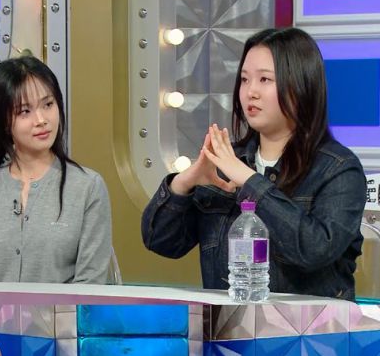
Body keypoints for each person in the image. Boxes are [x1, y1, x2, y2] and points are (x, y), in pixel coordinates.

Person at [142, 26, 367, 299]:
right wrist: (183, 183)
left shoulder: (339, 169)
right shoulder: (227, 163)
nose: (251, 92)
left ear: (302, 85)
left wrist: (250, 182)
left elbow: (314, 249)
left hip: (309, 326)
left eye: (265, 79)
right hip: (228, 324)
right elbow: (160, 242)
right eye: (245, 80)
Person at [0, 54, 112, 284]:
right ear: (3, 122)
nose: (41, 120)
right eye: (24, 111)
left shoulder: (87, 187)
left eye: (48, 105)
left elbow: (92, 285)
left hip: (64, 310)